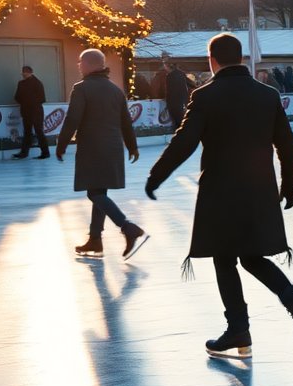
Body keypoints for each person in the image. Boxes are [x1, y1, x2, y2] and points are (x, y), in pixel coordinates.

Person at [145, 33, 293, 359]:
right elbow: (286, 145)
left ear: (212, 60)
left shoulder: (205, 96)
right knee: (249, 256)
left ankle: (253, 321)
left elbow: (184, 142)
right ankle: (281, 309)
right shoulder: (267, 95)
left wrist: (156, 175)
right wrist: (290, 184)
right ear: (240, 58)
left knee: (225, 257)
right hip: (259, 189)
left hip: (222, 192)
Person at [55, 49, 148, 260]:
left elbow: (72, 119)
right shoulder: (115, 90)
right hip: (113, 149)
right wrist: (132, 146)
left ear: (89, 64)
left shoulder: (82, 88)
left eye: (80, 62)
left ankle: (127, 227)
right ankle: (95, 240)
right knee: (99, 193)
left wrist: (61, 144)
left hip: (93, 149)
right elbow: (126, 121)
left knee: (94, 194)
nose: (78, 65)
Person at [11, 65, 49, 159]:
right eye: (23, 73)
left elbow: (41, 98)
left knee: (37, 131)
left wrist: (27, 103)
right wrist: (27, 103)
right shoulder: (25, 83)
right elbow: (17, 97)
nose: (23, 74)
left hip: (34, 111)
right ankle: (25, 153)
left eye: (25, 72)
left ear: (29, 73)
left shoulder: (36, 83)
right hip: (30, 111)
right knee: (29, 132)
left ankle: (44, 152)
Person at [165, 60, 191, 133]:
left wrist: (167, 100)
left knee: (175, 119)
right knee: (181, 118)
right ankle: (183, 132)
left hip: (173, 101)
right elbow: (190, 85)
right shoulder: (182, 74)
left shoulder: (169, 76)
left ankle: (178, 133)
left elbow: (169, 90)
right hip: (182, 100)